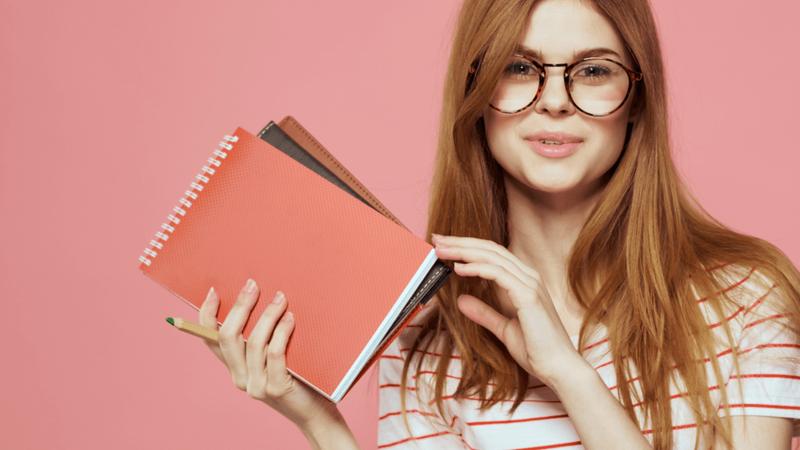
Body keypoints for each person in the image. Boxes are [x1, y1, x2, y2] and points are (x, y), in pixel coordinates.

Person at [196, 0, 800, 448]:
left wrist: (569, 375)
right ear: (475, 96)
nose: (555, 100)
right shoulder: (426, 351)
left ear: (637, 97)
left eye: (593, 71)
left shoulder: (745, 296)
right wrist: (320, 423)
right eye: (519, 67)